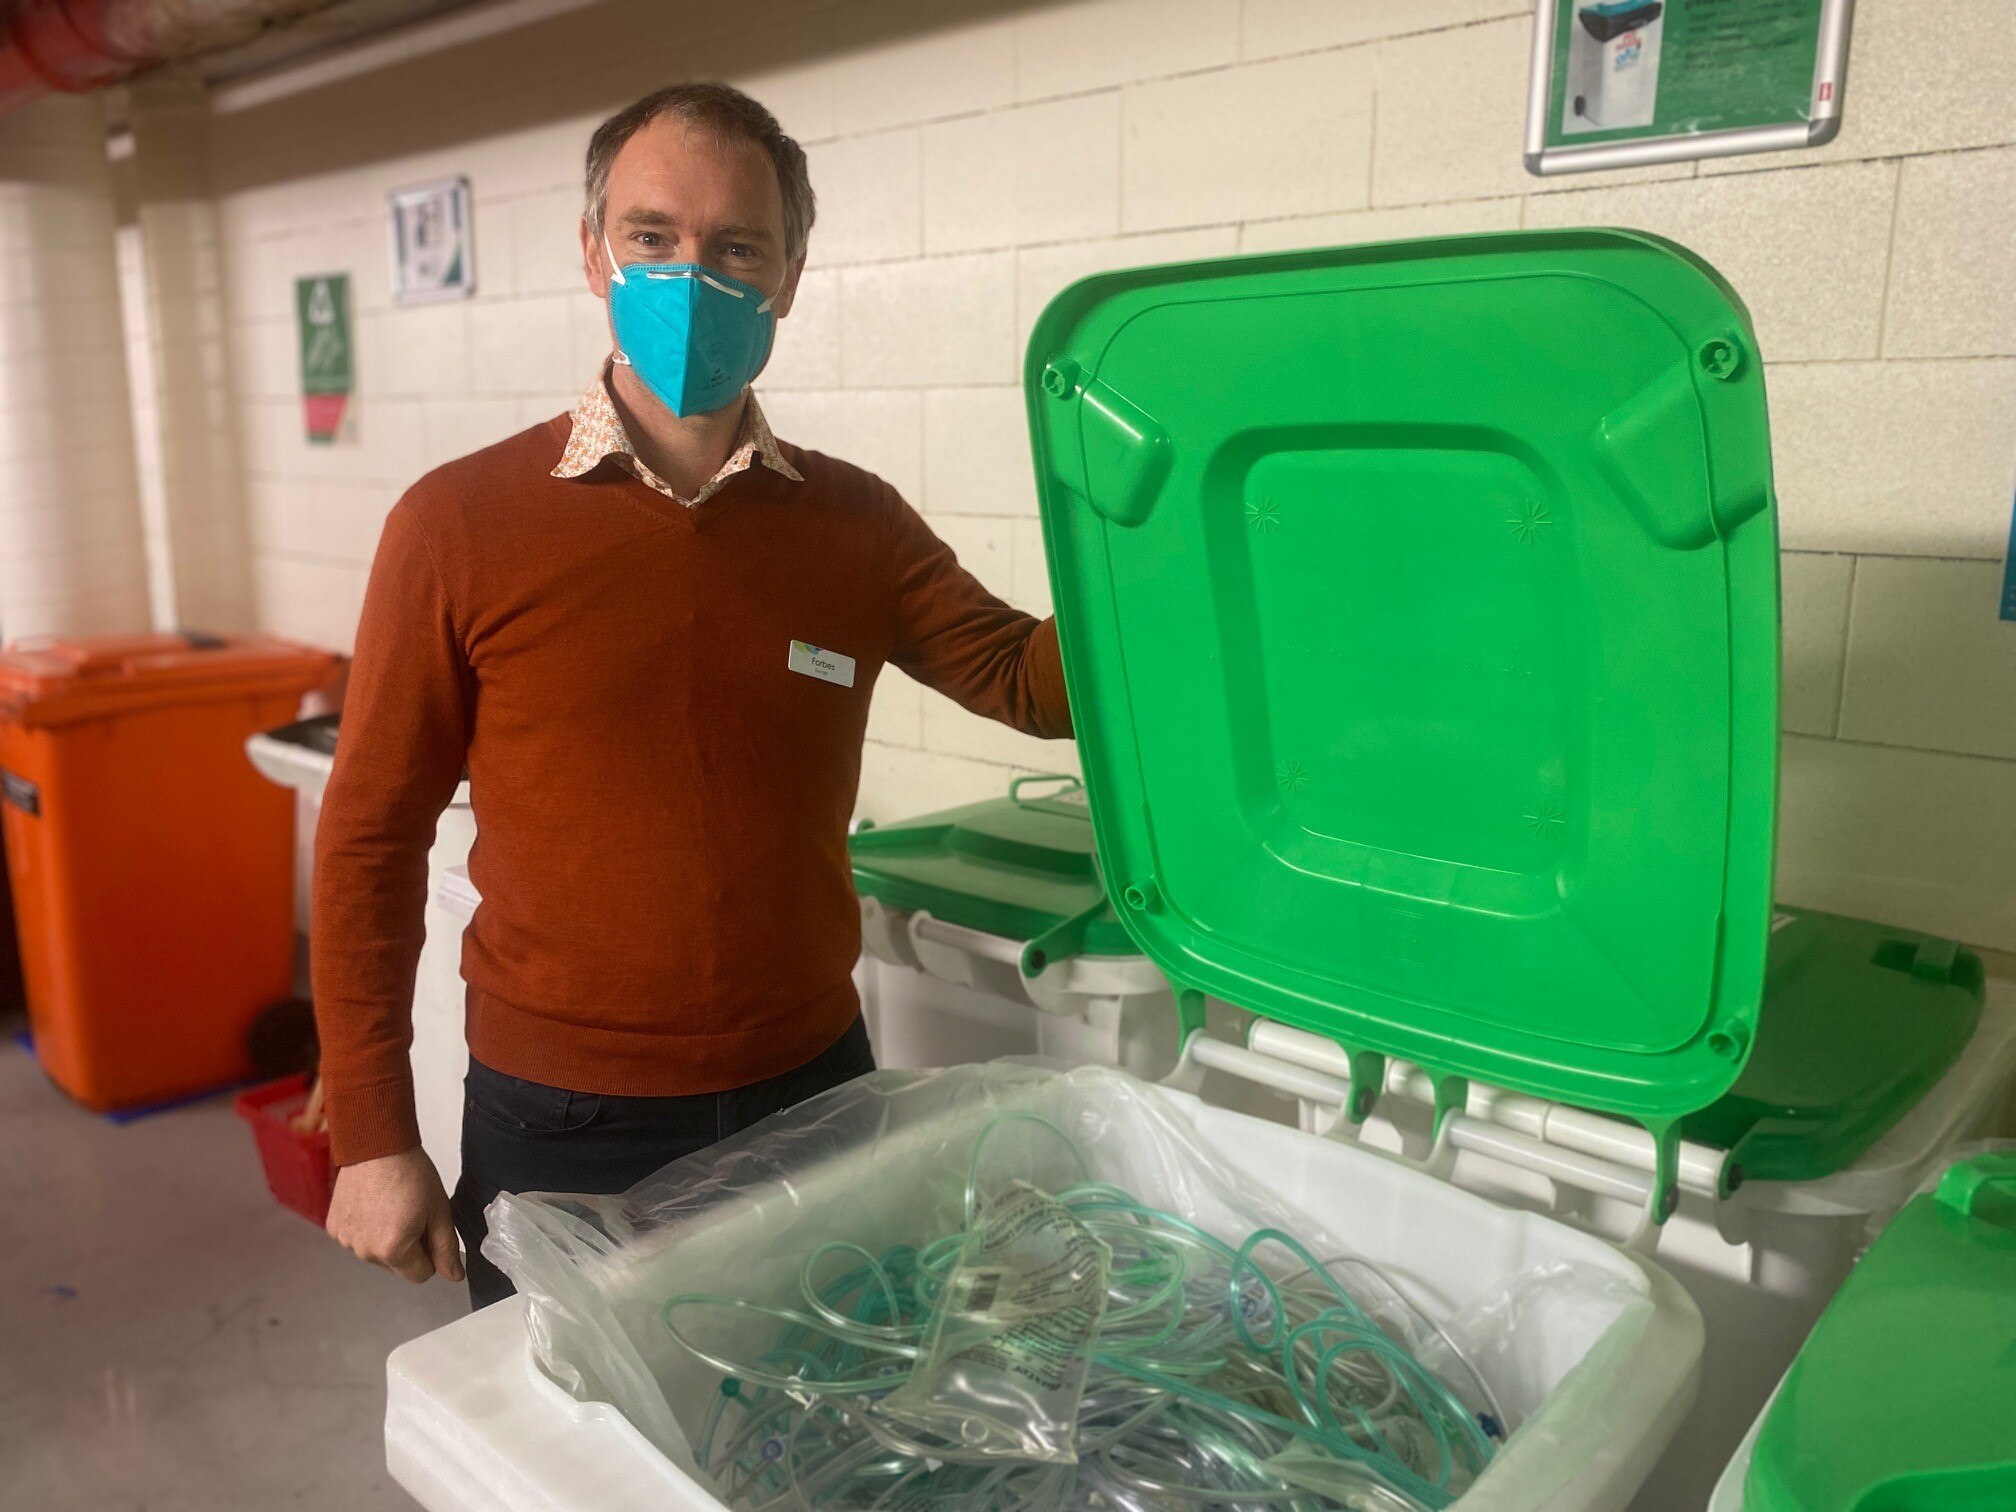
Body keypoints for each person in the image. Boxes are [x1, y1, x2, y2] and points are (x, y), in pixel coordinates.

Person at [314, 83, 1072, 1307]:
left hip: (816, 1088)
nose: (693, 277)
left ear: (790, 273)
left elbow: (1027, 683)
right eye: (654, 238)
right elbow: (368, 840)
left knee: (820, 1434)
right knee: (580, 1477)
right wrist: (370, 1133)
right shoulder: (456, 525)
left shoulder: (854, 524)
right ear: (593, 250)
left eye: (736, 249)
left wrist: (1177, 566)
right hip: (563, 1124)